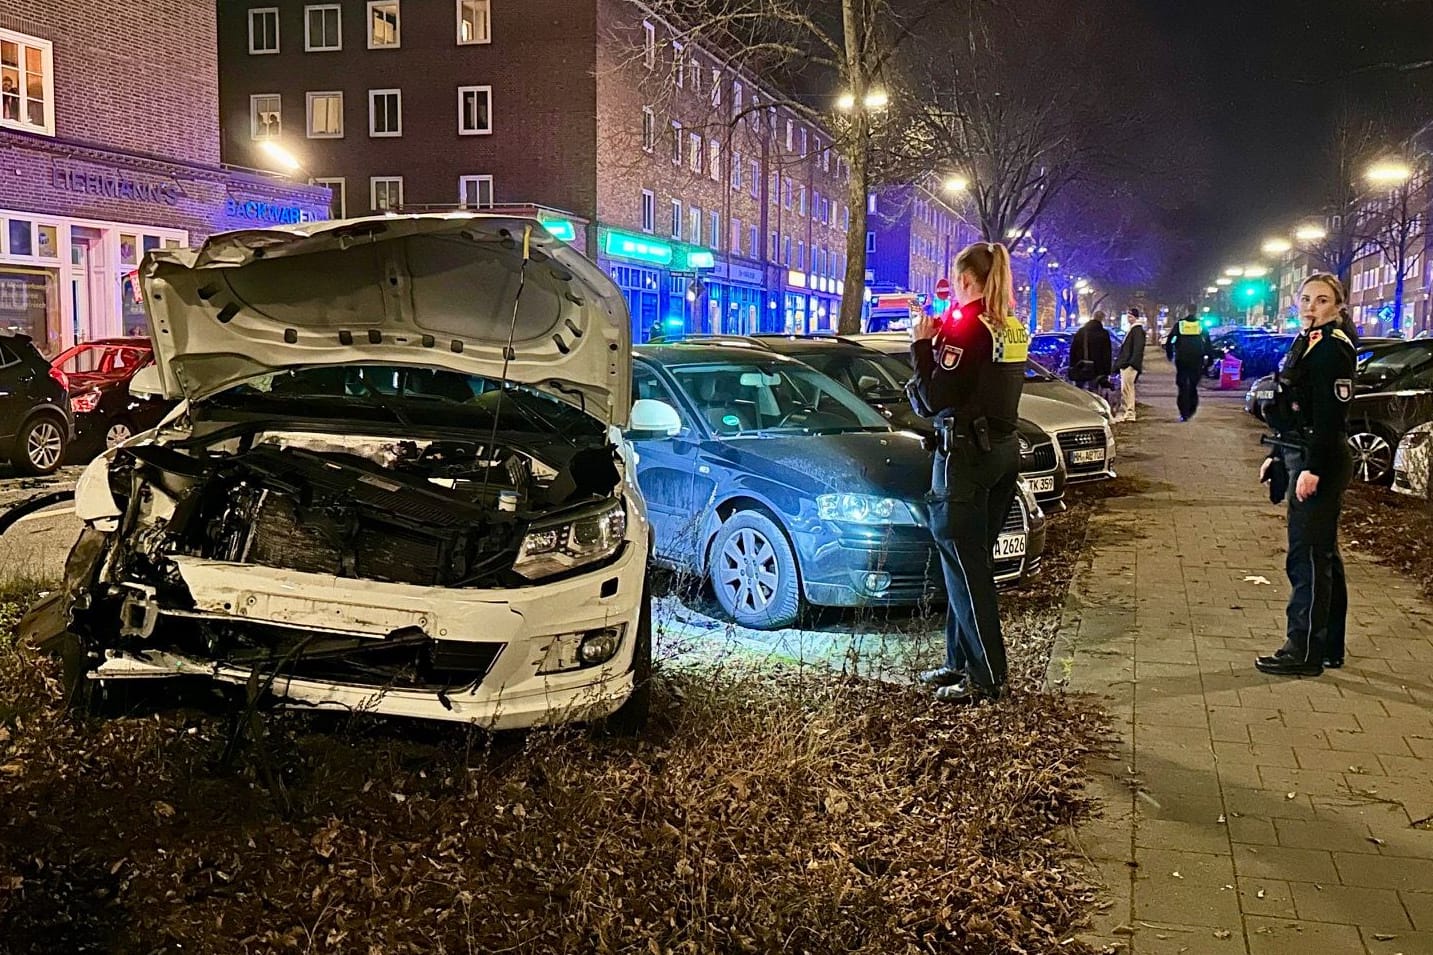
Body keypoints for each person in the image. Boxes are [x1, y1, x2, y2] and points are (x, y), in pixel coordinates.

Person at [909, 242, 1026, 704]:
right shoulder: (1009, 325)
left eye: (956, 281)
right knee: (969, 564)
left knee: (965, 568)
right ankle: (958, 662)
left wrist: (921, 345)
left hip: (964, 459)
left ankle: (987, 678)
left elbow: (934, 399)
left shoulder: (967, 328)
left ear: (965, 280)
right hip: (1001, 455)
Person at [1256, 274, 1358, 677]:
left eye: (1321, 300)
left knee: (1308, 559)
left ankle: (1303, 651)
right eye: (1305, 299)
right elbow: (1296, 406)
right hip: (1301, 453)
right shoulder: (1308, 341)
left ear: (1338, 306)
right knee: (1323, 556)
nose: (1310, 306)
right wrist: (1279, 457)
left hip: (1321, 460)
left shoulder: (1333, 348)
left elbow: (1330, 418)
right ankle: (1328, 646)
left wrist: (1313, 467)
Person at [1165, 313, 1212, 421]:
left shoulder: (1180, 325)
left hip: (1182, 359)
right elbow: (1207, 342)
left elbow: (1171, 340)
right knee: (1193, 386)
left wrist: (1170, 353)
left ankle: (1183, 412)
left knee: (1182, 386)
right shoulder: (1200, 325)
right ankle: (1191, 409)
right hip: (1196, 359)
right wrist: (1209, 358)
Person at [1114, 307, 1147, 422]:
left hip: (1129, 365)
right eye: (1128, 316)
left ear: (1135, 317)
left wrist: (1131, 363)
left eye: (1130, 316)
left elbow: (1137, 348)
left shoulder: (1136, 330)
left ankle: (1130, 412)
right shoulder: (1134, 329)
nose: (1128, 319)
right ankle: (1126, 410)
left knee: (1128, 389)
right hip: (1128, 364)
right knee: (1126, 389)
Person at [1069, 310, 1113, 392]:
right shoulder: (1104, 333)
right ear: (1102, 319)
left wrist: (1073, 365)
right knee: (1093, 391)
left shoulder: (1081, 332)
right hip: (1097, 369)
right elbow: (1107, 354)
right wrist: (1106, 372)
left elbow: (1073, 350)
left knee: (1079, 391)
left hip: (1081, 366)